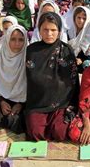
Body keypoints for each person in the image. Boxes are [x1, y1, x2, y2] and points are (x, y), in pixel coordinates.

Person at [25, 12, 79, 141]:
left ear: (59, 31)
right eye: (45, 30)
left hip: (61, 103)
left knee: (60, 133)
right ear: (39, 30)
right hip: (38, 103)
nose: (49, 34)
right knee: (35, 133)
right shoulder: (32, 51)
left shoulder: (66, 50)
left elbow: (73, 81)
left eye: (53, 30)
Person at [67, 6, 90, 72]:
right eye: (78, 17)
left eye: (84, 18)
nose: (81, 21)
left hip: (82, 65)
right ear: (74, 17)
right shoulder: (68, 31)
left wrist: (82, 60)